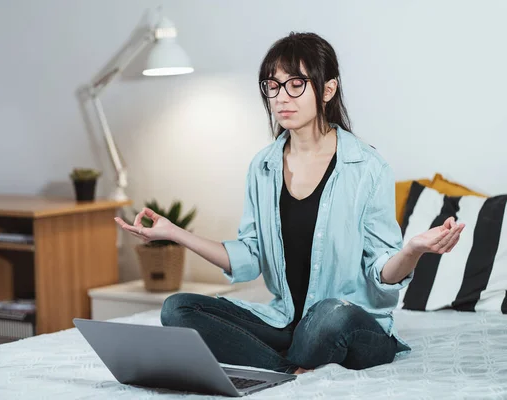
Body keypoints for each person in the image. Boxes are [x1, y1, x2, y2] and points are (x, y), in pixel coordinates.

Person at [115, 32, 465, 375]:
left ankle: (276, 359)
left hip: (353, 324)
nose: (281, 97)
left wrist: (413, 249)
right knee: (177, 308)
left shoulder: (367, 168)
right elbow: (250, 258)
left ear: (327, 89)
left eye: (296, 84)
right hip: (286, 322)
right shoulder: (262, 167)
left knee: (329, 314)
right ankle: (286, 370)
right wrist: (174, 233)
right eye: (272, 85)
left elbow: (382, 273)